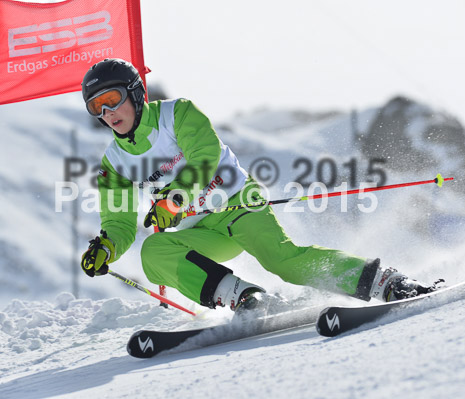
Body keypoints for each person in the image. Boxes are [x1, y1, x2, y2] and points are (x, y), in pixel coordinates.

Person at [79, 58, 438, 312]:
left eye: (111, 99)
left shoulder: (178, 114)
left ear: (136, 93)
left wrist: (174, 199)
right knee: (153, 254)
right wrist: (106, 247)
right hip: (201, 232)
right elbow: (120, 220)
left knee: (283, 262)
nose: (107, 113)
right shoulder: (114, 162)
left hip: (236, 205)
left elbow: (204, 158)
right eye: (96, 107)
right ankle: (245, 299)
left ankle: (384, 282)